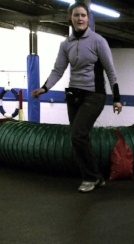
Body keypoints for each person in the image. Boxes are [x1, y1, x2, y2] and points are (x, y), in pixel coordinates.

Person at [31, 2, 122, 193]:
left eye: (83, 15)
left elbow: (110, 71)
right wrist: (45, 87)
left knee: (77, 134)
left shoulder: (98, 41)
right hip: (74, 95)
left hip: (94, 95)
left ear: (88, 18)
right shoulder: (66, 44)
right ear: (70, 18)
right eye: (76, 15)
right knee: (80, 138)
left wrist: (117, 98)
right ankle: (96, 176)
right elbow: (58, 70)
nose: (80, 19)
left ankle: (89, 178)